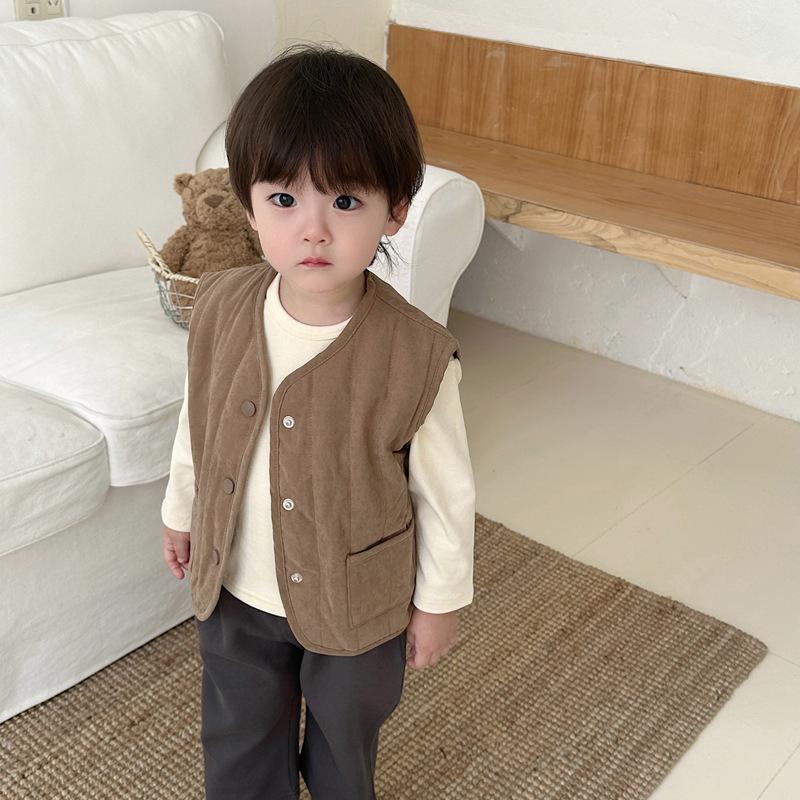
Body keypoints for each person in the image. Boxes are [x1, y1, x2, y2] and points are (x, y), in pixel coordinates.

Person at [160, 42, 475, 800]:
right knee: (238, 737)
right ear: (247, 204)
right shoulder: (221, 307)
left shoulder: (419, 355)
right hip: (236, 586)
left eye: (345, 202)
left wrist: (438, 603)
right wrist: (180, 510)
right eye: (283, 200)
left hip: (355, 603)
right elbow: (200, 422)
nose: (313, 230)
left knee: (344, 743)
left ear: (396, 210)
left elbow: (445, 494)